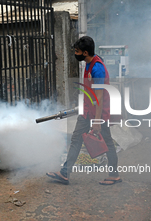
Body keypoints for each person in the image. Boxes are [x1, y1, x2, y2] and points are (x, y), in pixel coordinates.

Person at [46, 36, 121, 185]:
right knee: (76, 140)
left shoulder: (97, 68)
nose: (76, 53)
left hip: (98, 113)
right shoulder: (89, 63)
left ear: (85, 52)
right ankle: (64, 173)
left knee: (107, 143)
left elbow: (99, 98)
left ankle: (114, 175)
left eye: (77, 51)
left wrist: (97, 122)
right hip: (87, 111)